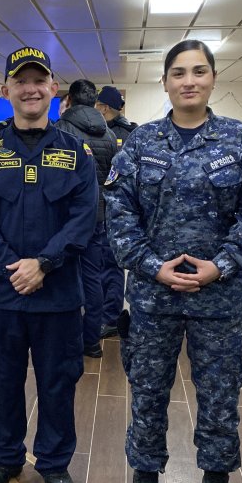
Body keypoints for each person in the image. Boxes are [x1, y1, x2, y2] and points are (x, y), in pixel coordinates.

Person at [103, 40, 242, 483]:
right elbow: (119, 216)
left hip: (217, 299)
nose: (189, 81)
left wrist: (218, 266)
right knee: (148, 392)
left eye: (199, 71)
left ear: (214, 78)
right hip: (155, 299)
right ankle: (145, 478)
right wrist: (152, 267)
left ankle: (216, 482)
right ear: (165, 83)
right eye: (178, 73)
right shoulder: (141, 143)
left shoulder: (240, 141)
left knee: (220, 396)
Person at [0, 46, 97, 483]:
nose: (30, 88)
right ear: (6, 91)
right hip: (3, 293)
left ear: (53, 90)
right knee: (1, 378)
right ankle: (4, 459)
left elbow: (84, 216)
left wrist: (44, 263)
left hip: (57, 295)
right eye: (21, 81)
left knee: (58, 382)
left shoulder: (76, 152)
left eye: (39, 80)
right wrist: (12, 265)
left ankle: (55, 466)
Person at [55, 79, 118, 358]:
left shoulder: (60, 130)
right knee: (93, 279)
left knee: (61, 278)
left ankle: (63, 341)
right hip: (98, 217)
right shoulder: (108, 134)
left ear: (68, 100)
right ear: (95, 102)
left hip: (65, 219)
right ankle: (91, 341)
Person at [95, 86, 137, 338]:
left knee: (108, 265)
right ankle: (107, 314)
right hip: (122, 211)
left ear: (105, 108)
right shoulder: (134, 131)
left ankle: (109, 317)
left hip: (111, 210)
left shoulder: (108, 133)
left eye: (98, 107)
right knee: (110, 265)